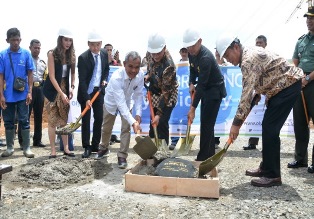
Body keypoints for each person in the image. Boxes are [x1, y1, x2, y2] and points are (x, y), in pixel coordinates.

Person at [216, 33, 303, 187]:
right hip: (281, 87)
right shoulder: (247, 54)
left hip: (288, 86)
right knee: (268, 127)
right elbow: (259, 80)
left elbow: (245, 95)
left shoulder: (248, 60)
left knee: (270, 128)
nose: (227, 60)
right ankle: (266, 167)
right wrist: (257, 93)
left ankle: (273, 175)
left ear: (236, 47)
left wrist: (236, 124)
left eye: (227, 55)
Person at [183, 28, 226, 161]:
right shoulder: (191, 53)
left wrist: (192, 109)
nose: (190, 49)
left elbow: (201, 86)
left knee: (207, 124)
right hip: (206, 89)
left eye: (193, 46)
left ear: (200, 41)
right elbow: (192, 69)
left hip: (214, 91)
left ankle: (203, 158)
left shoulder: (205, 58)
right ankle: (209, 155)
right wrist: (191, 82)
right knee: (206, 123)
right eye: (188, 47)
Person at [96, 51, 143, 169]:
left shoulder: (141, 75)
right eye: (130, 66)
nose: (133, 70)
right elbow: (120, 104)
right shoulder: (117, 77)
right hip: (111, 102)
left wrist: (138, 114)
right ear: (124, 64)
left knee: (126, 129)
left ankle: (122, 155)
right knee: (106, 128)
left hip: (127, 102)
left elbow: (138, 95)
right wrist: (133, 122)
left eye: (137, 67)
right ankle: (103, 148)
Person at [0, 27, 35, 158]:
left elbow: (30, 73)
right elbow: (1, 76)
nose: (16, 42)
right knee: (8, 121)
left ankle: (26, 148)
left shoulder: (26, 54)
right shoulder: (2, 55)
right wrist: (1, 95)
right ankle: (9, 148)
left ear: (20, 39)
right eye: (13, 40)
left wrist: (30, 91)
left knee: (24, 120)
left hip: (22, 94)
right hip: (7, 95)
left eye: (17, 39)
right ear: (7, 40)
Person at [288, 5, 314, 174]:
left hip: (312, 83)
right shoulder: (301, 40)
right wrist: (297, 76)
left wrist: (307, 79)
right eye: (307, 18)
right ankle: (300, 158)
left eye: (312, 18)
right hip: (300, 83)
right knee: (300, 122)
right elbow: (294, 61)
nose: (309, 21)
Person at [43, 27, 76, 158]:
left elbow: (73, 73)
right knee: (52, 121)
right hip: (52, 90)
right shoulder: (52, 54)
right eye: (65, 40)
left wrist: (72, 87)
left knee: (63, 120)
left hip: (65, 87)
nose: (68, 43)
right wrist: (61, 94)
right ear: (60, 39)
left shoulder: (71, 55)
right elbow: (51, 76)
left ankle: (66, 148)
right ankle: (53, 150)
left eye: (70, 40)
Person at [77, 31, 109, 158]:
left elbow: (106, 69)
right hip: (87, 92)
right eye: (93, 45)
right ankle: (86, 146)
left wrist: (104, 79)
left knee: (99, 118)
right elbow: (83, 80)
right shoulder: (83, 58)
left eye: (98, 45)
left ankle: (95, 145)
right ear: (88, 44)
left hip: (99, 91)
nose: (95, 48)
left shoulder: (104, 54)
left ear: (101, 44)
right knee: (86, 119)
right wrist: (86, 99)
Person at [144, 32, 178, 146]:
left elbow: (166, 94)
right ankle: (152, 149)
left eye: (158, 53)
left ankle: (163, 153)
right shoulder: (150, 53)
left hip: (168, 94)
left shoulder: (169, 66)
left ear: (164, 48)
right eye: (153, 54)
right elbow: (150, 67)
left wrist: (159, 114)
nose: (155, 56)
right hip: (154, 92)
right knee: (153, 122)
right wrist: (148, 75)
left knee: (161, 121)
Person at [17, 39, 47, 148]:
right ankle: (22, 141)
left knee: (38, 116)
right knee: (25, 116)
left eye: (39, 48)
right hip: (27, 90)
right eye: (35, 47)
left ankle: (37, 140)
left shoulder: (43, 62)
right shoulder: (24, 60)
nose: (37, 50)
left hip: (39, 90)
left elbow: (45, 77)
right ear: (30, 48)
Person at [242, 35, 267, 150]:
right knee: (254, 117)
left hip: (268, 93)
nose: (258, 45)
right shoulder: (252, 58)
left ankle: (268, 146)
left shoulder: (268, 56)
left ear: (265, 44)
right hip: (256, 93)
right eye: (256, 43)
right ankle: (252, 143)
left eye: (260, 43)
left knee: (268, 120)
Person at [169, 47, 188, 150]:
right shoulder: (176, 65)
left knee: (185, 119)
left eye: (186, 51)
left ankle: (184, 140)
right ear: (180, 52)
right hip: (176, 95)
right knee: (175, 118)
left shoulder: (191, 65)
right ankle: (174, 140)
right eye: (182, 51)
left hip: (187, 97)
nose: (184, 53)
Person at [104, 43, 122, 145]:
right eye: (107, 50)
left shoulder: (115, 63)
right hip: (105, 93)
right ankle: (107, 138)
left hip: (116, 93)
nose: (109, 52)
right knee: (106, 117)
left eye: (111, 50)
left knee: (115, 116)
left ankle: (113, 136)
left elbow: (123, 71)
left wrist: (118, 61)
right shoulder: (101, 62)